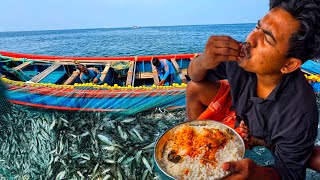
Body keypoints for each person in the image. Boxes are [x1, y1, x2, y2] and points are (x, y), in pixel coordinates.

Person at [186, 0, 320, 179]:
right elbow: (194, 76)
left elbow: (290, 173)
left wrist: (257, 173)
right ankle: (198, 142)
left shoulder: (299, 112)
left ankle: (260, 140)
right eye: (257, 27)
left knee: (308, 157)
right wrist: (203, 60)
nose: (250, 39)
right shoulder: (239, 57)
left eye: (267, 39)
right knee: (195, 87)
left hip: (272, 137)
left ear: (289, 65)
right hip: (243, 118)